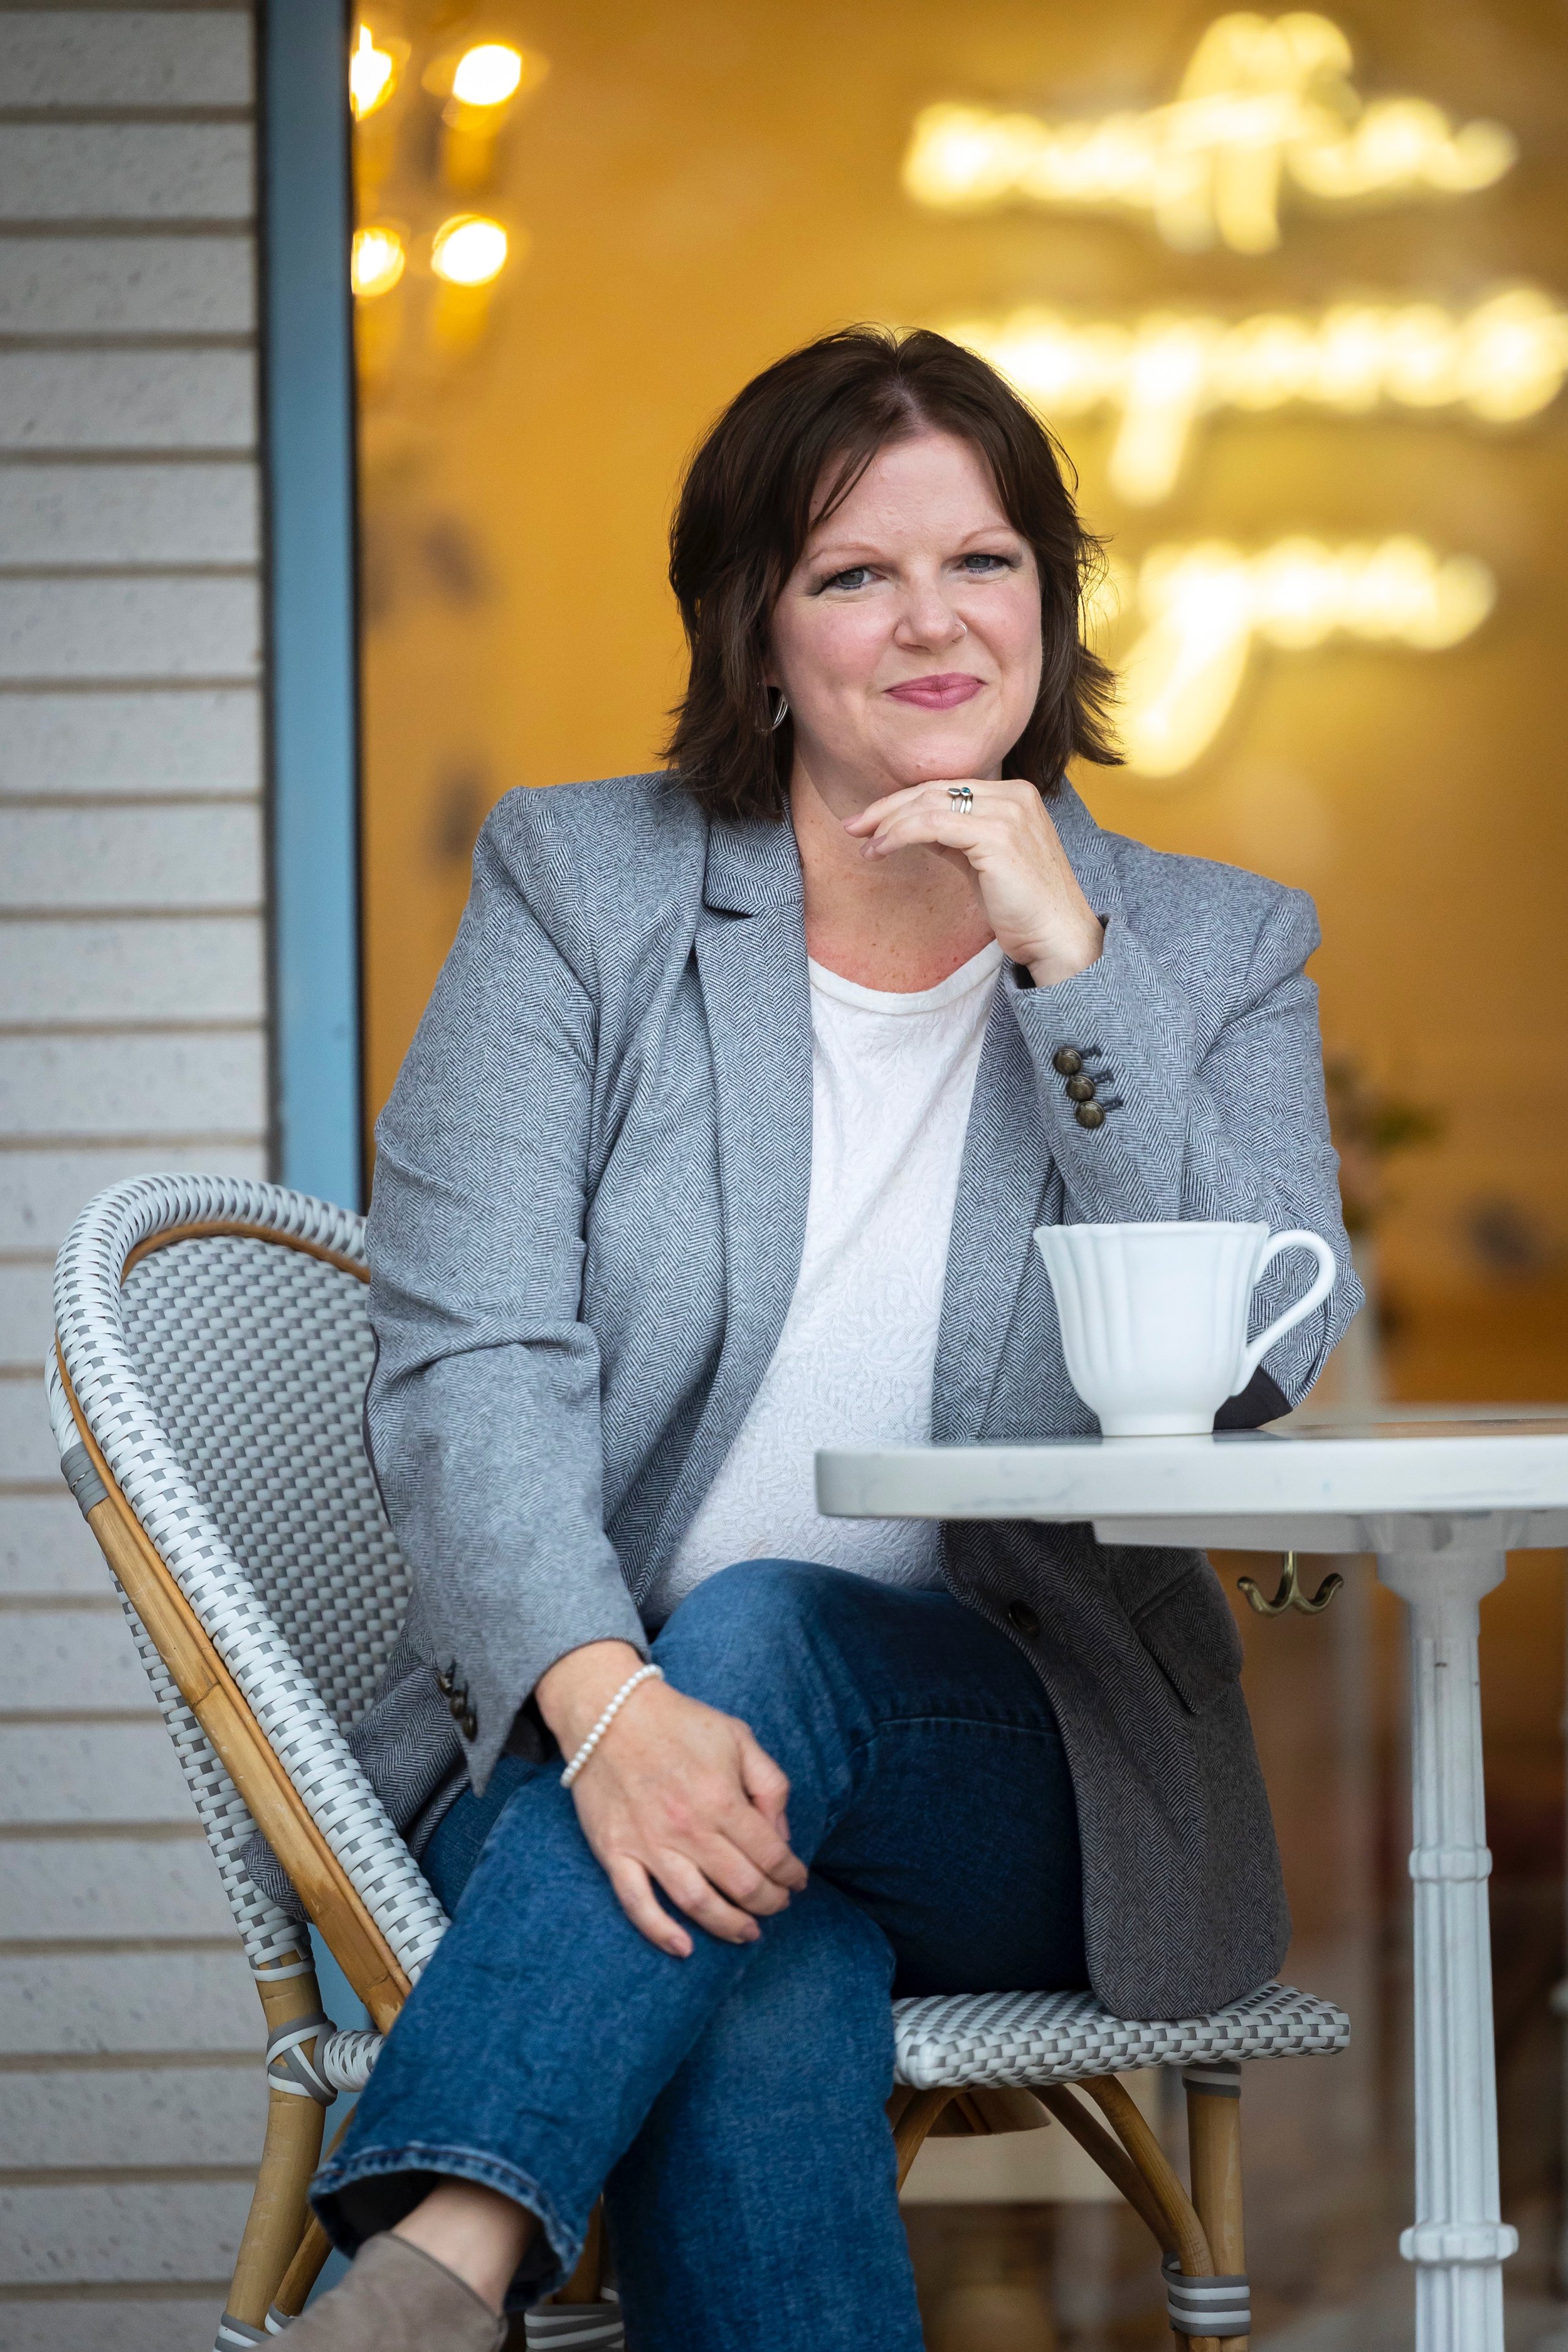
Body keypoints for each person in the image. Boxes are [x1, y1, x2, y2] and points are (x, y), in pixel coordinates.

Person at [282, 327, 1359, 2352]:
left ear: (1050, 599)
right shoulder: (581, 887)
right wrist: (610, 1704)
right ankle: (450, 2261)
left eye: (984, 563)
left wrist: (1068, 964)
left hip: (1015, 1774)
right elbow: (467, 1355)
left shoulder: (1208, 948)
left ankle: (438, 2260)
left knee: (771, 1624)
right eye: (855, 573)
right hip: (596, 1739)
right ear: (757, 631)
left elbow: (1260, 1359)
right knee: (765, 1966)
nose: (933, 621)